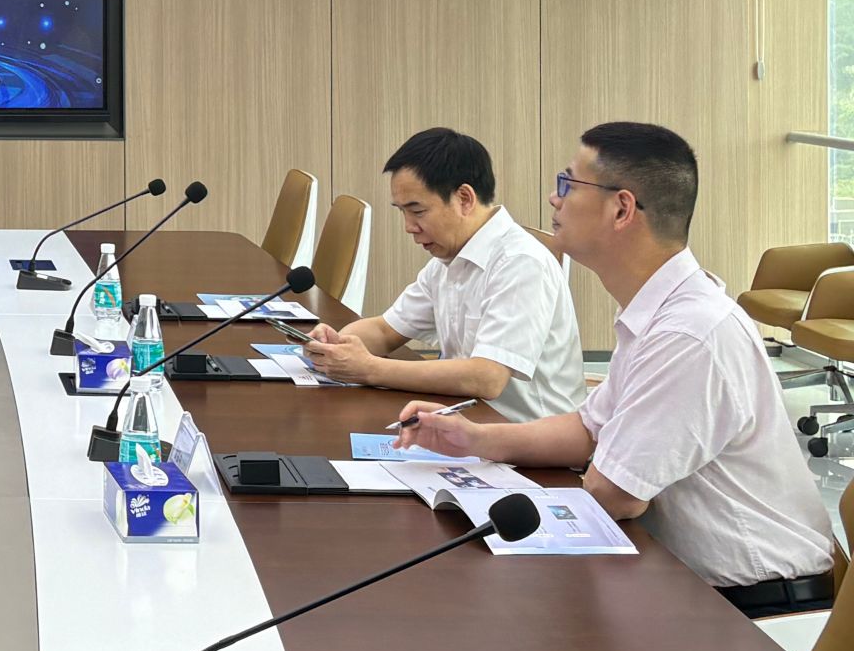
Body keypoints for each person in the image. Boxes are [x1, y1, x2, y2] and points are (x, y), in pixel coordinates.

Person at [399, 121, 838, 615]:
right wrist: (472, 439)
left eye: (568, 184)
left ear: (622, 209)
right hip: (685, 582)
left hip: (754, 609)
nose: (554, 198)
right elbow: (588, 429)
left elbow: (616, 494)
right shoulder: (657, 311)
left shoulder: (689, 332)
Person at [304, 127, 583, 423]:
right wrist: (336, 345)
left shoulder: (521, 262)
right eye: (402, 212)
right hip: (470, 423)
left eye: (417, 211)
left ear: (464, 198)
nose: (409, 227)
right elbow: (386, 331)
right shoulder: (449, 258)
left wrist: (368, 369)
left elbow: (487, 377)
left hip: (530, 438)